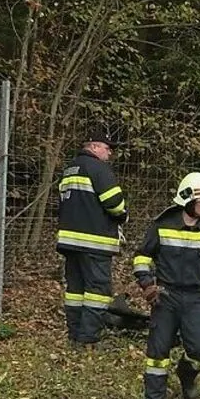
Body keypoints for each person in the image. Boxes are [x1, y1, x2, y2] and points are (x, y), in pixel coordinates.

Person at [132, 172, 200, 399]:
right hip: (165, 297)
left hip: (196, 298)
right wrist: (147, 284)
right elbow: (142, 257)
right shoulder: (162, 224)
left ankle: (186, 376)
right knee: (157, 353)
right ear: (189, 200)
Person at [55, 130, 127, 348]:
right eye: (107, 148)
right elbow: (115, 203)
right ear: (94, 147)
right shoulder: (98, 169)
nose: (110, 153)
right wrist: (123, 215)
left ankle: (74, 335)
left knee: (75, 290)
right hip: (94, 242)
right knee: (97, 291)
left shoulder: (69, 169)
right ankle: (88, 339)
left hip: (70, 241)